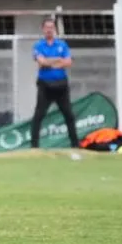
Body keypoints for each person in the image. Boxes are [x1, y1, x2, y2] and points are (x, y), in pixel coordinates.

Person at [31, 19, 79, 149]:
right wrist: (58, 60)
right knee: (38, 116)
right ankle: (34, 146)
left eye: (51, 27)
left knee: (69, 115)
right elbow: (42, 62)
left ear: (55, 29)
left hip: (61, 86)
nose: (49, 30)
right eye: (47, 27)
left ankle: (75, 145)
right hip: (45, 86)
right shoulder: (38, 45)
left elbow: (68, 62)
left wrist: (50, 61)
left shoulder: (62, 45)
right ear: (43, 29)